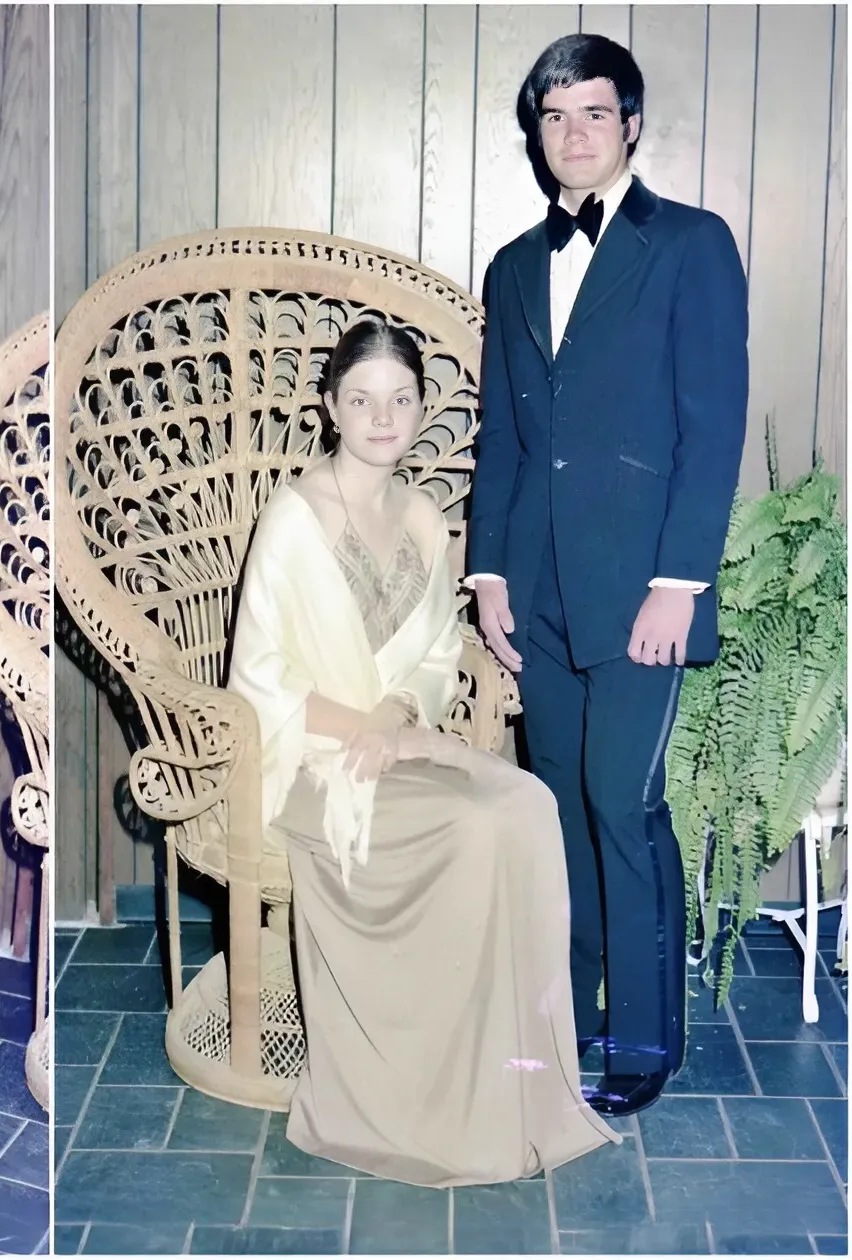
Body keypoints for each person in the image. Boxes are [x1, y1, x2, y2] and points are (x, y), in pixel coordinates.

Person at [229, 320, 619, 1186]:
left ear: (418, 412)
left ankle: (512, 1076)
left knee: (529, 805)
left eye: (399, 401)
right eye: (361, 400)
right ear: (330, 407)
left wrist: (403, 713)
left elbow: (441, 652)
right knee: (477, 828)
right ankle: (430, 1098)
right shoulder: (292, 521)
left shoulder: (422, 517)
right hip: (314, 763)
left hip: (399, 741)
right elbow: (257, 679)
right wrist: (363, 729)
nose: (381, 417)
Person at [469, 33, 748, 1117]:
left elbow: (710, 427)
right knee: (562, 811)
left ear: (631, 124)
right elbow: (505, 439)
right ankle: (576, 1020)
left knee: (619, 805)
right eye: (554, 117)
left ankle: (642, 1037)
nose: (574, 134)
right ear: (536, 135)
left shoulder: (690, 245)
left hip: (642, 591)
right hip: (537, 591)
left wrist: (678, 584)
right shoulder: (511, 265)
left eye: (594, 113)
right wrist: (488, 571)